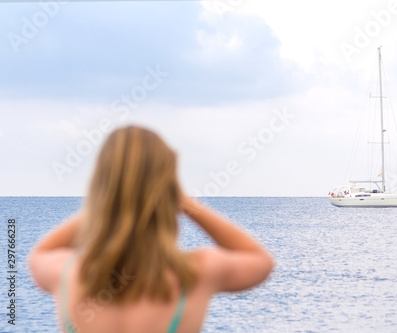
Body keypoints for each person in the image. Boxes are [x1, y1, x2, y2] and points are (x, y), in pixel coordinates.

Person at [29, 125, 274, 333]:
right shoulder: (196, 273)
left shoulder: (68, 273)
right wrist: (183, 201)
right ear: (169, 188)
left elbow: (41, 252)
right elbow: (259, 260)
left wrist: (112, 198)